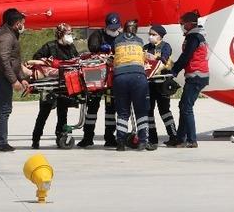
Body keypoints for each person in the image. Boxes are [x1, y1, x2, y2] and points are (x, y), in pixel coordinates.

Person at [77, 12, 122, 148]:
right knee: (92, 106)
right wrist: (101, 48)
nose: (114, 31)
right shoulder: (97, 35)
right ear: (106, 26)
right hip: (96, 74)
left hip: (111, 76)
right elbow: (92, 47)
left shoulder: (121, 37)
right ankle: (88, 137)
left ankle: (110, 137)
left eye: (116, 28)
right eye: (111, 28)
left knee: (111, 108)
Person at [30, 23, 79, 149]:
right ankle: (36, 139)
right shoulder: (50, 46)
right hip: (50, 86)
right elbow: (36, 58)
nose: (70, 36)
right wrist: (49, 64)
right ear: (61, 34)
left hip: (64, 86)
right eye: (68, 33)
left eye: (71, 33)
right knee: (44, 113)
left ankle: (61, 136)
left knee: (63, 113)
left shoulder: (71, 47)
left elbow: (76, 61)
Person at [0, 8, 30, 152]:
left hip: (2, 75)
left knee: (3, 109)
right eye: (22, 23)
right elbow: (4, 61)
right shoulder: (6, 36)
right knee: (5, 109)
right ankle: (0, 143)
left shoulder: (10, 33)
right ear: (17, 23)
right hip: (1, 77)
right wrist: (14, 81)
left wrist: (21, 78)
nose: (24, 26)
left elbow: (14, 61)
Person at [167, 11, 210, 148]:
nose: (182, 26)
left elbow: (186, 56)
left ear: (190, 24)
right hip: (196, 75)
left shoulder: (194, 37)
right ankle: (181, 139)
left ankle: (192, 140)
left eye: (183, 24)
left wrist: (174, 71)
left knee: (186, 107)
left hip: (196, 76)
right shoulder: (196, 35)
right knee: (183, 106)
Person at [112, 19, 155, 151]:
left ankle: (120, 142)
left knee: (123, 113)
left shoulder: (117, 40)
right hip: (138, 77)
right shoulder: (139, 41)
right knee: (141, 111)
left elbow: (114, 57)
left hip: (120, 77)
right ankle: (143, 141)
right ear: (135, 30)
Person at [143, 24, 177, 146]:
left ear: (160, 36)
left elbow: (165, 59)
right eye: (150, 34)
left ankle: (173, 136)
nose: (151, 36)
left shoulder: (165, 46)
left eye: (154, 34)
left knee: (165, 111)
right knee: (148, 111)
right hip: (149, 84)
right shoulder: (146, 47)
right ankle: (152, 138)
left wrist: (154, 57)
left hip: (162, 84)